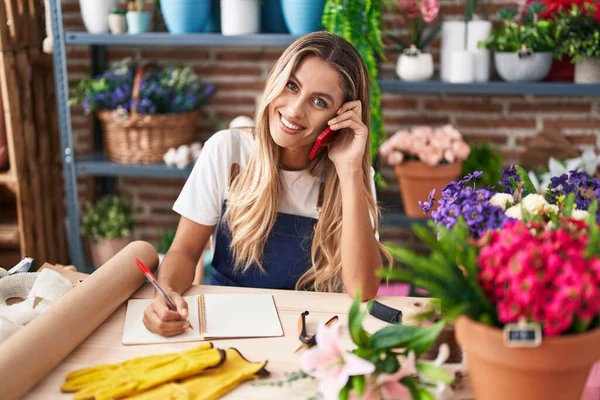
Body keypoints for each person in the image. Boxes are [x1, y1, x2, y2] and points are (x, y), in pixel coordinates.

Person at [143, 31, 391, 337]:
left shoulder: (351, 172)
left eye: (319, 101)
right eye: (292, 86)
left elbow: (362, 289)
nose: (295, 109)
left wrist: (351, 170)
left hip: (306, 329)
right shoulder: (228, 150)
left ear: (340, 116)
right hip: (225, 323)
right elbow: (184, 250)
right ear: (276, 81)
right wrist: (164, 294)